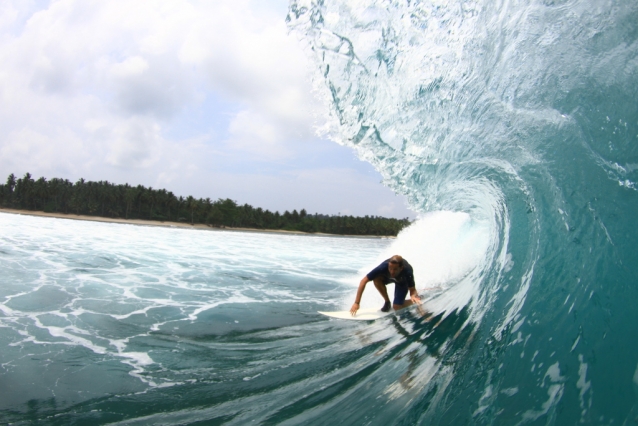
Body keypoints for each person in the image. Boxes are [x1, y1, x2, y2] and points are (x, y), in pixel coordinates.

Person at [350, 255, 421, 316]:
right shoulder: (383, 267)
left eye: (395, 269)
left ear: (401, 268)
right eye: (390, 268)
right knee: (376, 279)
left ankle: (418, 299)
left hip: (402, 282)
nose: (392, 271)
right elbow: (363, 281)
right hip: (388, 278)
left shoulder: (407, 271)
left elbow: (412, 289)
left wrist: (414, 297)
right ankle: (387, 302)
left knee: (396, 307)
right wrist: (356, 303)